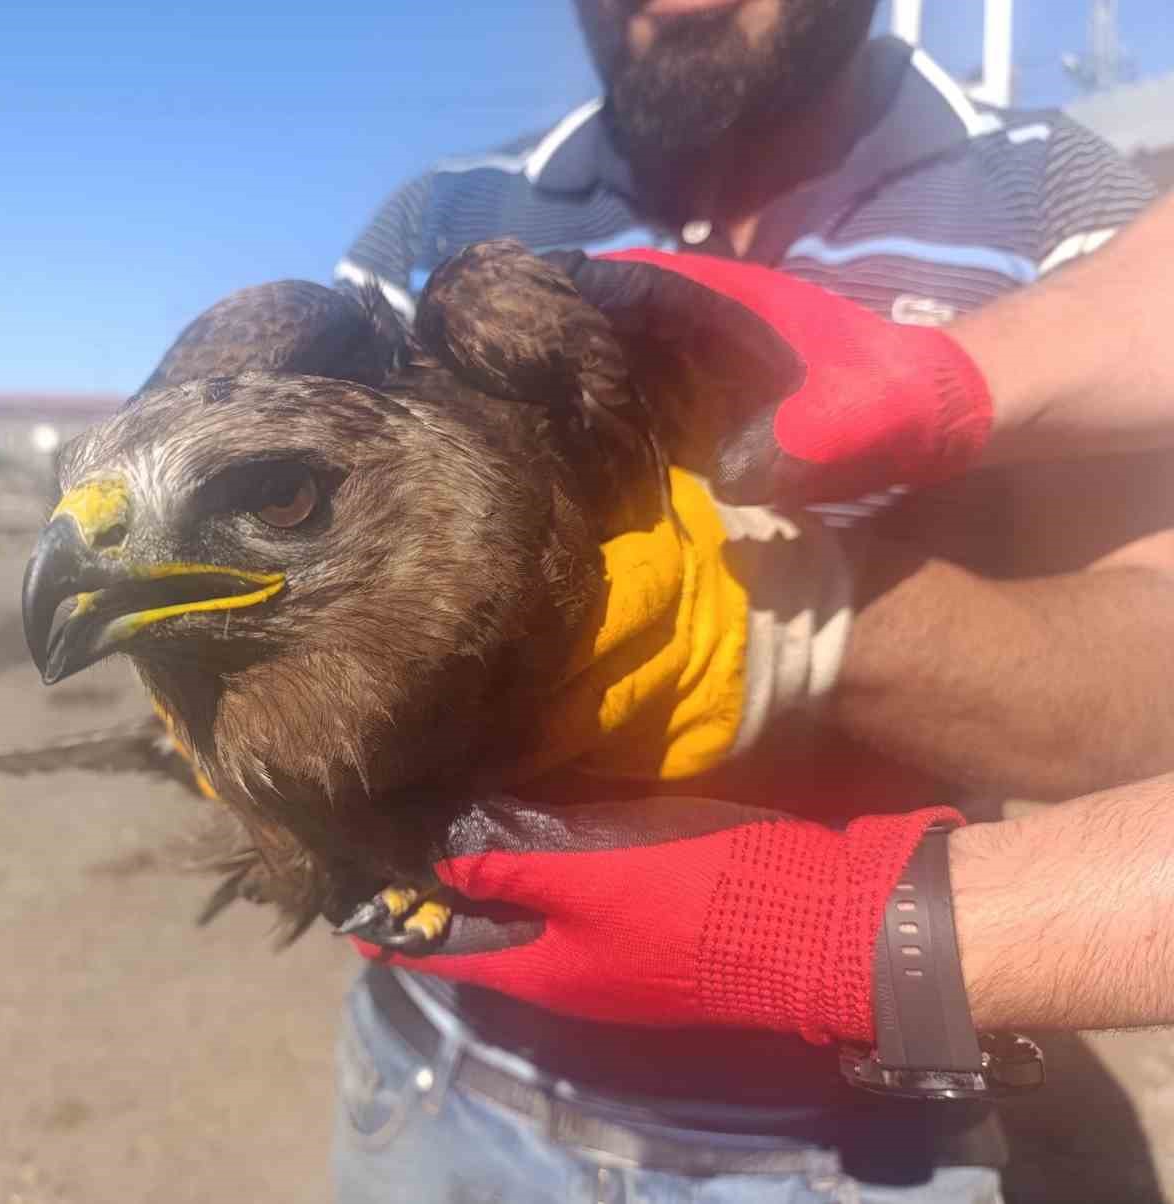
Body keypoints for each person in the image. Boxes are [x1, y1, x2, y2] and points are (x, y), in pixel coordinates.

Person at [328, 4, 1173, 1201]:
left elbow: (1155, 695)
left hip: (849, 1144)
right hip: (442, 1081)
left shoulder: (1053, 200)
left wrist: (789, 622)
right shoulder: (439, 221)